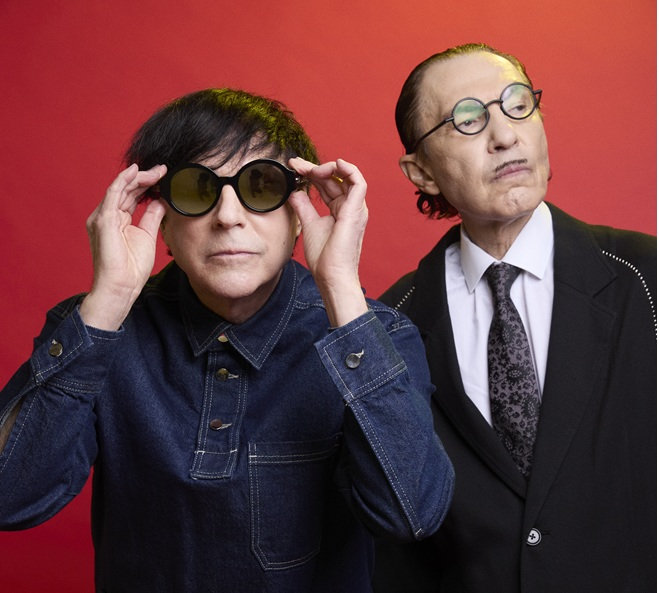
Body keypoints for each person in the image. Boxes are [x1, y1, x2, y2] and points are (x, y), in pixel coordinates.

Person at [0, 88, 455, 592]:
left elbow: (410, 515)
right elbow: (11, 498)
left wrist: (342, 290)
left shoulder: (376, 335)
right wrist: (108, 301)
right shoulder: (94, 327)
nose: (228, 216)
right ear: (162, 220)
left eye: (260, 186)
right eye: (197, 190)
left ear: (297, 214)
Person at [373, 43, 656, 592]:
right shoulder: (390, 324)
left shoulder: (648, 278)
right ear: (422, 171)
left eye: (518, 104)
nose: (505, 135)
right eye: (467, 119)